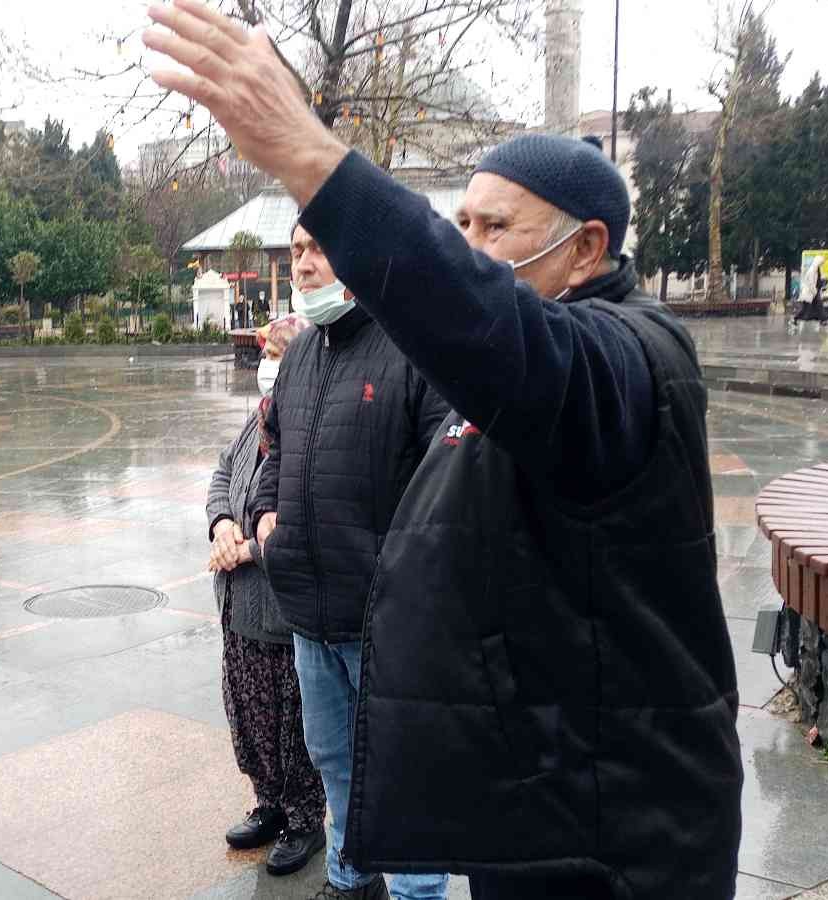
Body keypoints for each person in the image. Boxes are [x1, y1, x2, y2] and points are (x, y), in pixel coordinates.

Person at [144, 3, 743, 899]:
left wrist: (312, 160)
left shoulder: (631, 358)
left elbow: (496, 334)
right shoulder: (508, 359)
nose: (470, 251)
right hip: (532, 793)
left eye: (493, 229)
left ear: (585, 249)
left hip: (620, 823)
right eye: (459, 225)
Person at [247, 222, 452, 900]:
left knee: (401, 768)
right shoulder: (302, 356)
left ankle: (416, 892)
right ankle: (349, 877)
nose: (303, 265)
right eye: (297, 251)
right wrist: (264, 520)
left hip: (386, 620)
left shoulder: (413, 350)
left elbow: (447, 484)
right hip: (310, 611)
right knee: (334, 759)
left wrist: (407, 577)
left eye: (319, 248)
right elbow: (273, 452)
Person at [205, 313, 326, 878]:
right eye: (268, 356)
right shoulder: (255, 423)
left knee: (293, 721)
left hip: (284, 612)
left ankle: (304, 817)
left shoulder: (312, 431)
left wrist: (246, 549)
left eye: (281, 356)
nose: (270, 368)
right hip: (239, 610)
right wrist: (221, 524)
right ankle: (270, 803)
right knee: (251, 714)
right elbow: (223, 475)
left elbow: (306, 516)